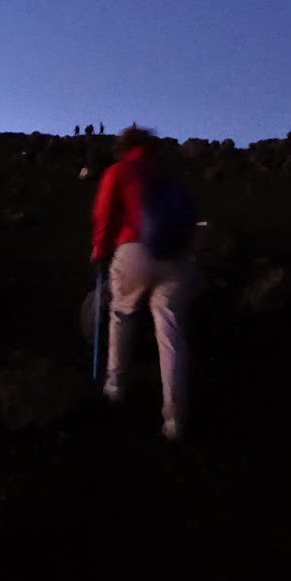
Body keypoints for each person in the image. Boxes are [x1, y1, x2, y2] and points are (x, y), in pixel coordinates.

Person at [91, 125, 197, 440]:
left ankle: (115, 388)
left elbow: (105, 217)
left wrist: (99, 250)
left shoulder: (120, 171)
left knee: (121, 315)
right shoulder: (164, 175)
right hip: (174, 257)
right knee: (169, 330)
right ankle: (174, 417)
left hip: (134, 251)